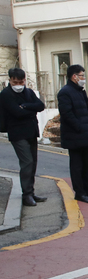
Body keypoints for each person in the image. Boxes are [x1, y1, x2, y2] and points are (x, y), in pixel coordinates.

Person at [0, 68, 46, 206]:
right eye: (16, 82)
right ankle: (26, 195)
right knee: (27, 162)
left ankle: (30, 192)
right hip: (17, 133)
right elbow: (16, 113)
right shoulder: (5, 94)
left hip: (31, 131)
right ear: (10, 80)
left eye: (21, 81)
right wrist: (31, 110)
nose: (19, 84)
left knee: (33, 163)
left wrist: (25, 106)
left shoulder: (28, 92)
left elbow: (40, 105)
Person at [58, 64, 88, 204]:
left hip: (85, 134)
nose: (84, 78)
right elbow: (67, 114)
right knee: (77, 166)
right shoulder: (65, 92)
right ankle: (80, 192)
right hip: (74, 136)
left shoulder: (80, 91)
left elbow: (87, 114)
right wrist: (79, 127)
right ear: (74, 76)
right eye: (82, 75)